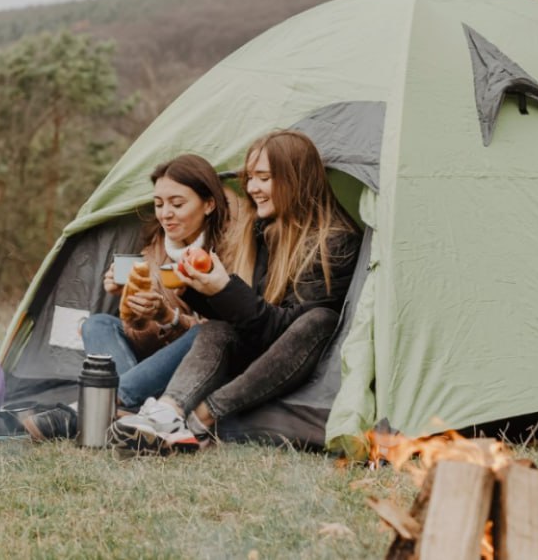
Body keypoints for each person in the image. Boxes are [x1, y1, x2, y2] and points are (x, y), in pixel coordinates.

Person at [111, 129, 361, 455]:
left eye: (264, 178)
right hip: (257, 352)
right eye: (250, 178)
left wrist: (224, 288)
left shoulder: (335, 242)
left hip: (297, 361)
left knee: (320, 319)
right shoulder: (264, 231)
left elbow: (285, 330)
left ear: (295, 179)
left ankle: (202, 418)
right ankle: (169, 413)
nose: (252, 188)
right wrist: (201, 289)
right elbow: (250, 323)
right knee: (215, 328)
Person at [19, 154, 231, 441]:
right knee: (98, 324)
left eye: (177, 204)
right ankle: (129, 410)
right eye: (159, 204)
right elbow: (140, 336)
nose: (165, 213)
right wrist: (132, 306)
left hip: (197, 366)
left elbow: (222, 337)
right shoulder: (155, 250)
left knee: (206, 332)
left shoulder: (230, 246)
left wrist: (170, 317)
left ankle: (85, 410)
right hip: (152, 365)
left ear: (209, 204)